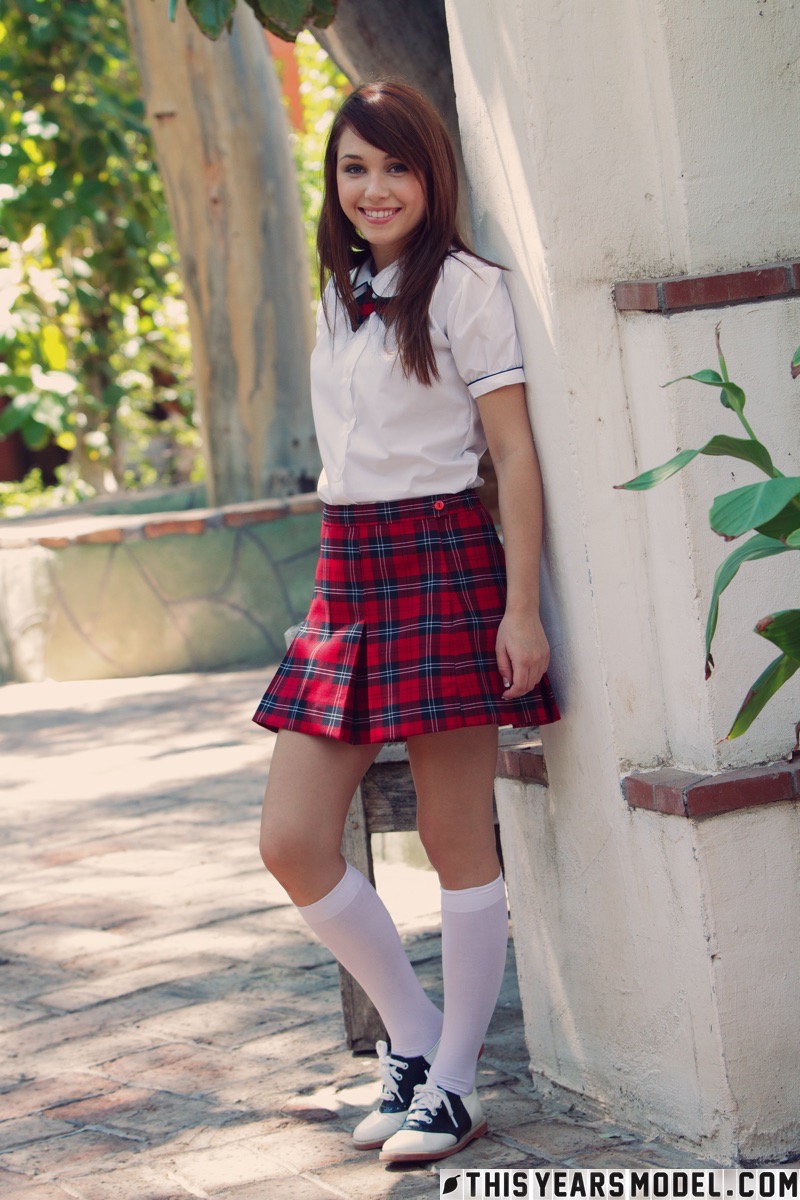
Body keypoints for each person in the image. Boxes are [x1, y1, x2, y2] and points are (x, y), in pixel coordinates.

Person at [254, 80, 560, 1165]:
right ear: (332, 182)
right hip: (348, 568)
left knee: (451, 836)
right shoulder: (339, 292)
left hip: (438, 556)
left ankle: (457, 1084)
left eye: (395, 166)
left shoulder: (468, 289)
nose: (373, 188)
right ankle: (416, 1038)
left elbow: (511, 452)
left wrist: (520, 608)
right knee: (290, 840)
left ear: (431, 176)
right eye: (353, 168)